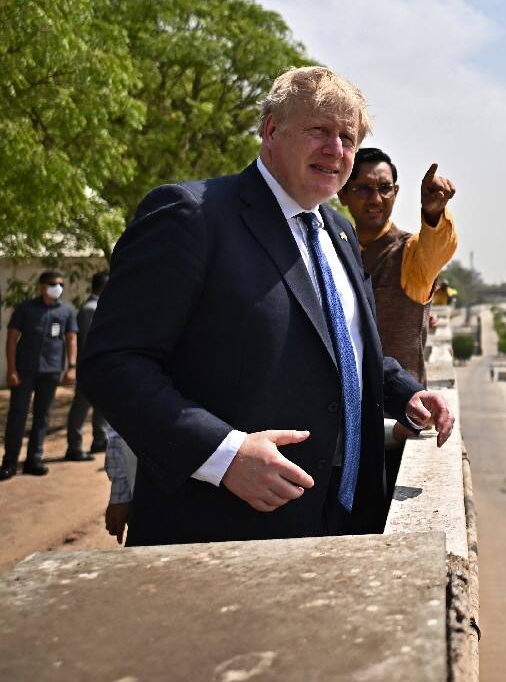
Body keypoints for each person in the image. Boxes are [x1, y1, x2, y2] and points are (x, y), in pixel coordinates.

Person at [81, 66, 454, 545]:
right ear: (272, 130)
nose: (336, 149)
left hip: (343, 517)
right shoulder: (192, 215)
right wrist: (224, 454)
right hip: (221, 526)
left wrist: (406, 393)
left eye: (347, 137)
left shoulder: (339, 233)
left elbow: (344, 348)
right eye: (319, 130)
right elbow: (113, 363)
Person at [337, 147, 458, 383]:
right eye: (364, 189)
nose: (375, 199)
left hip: (401, 403)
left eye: (384, 188)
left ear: (396, 192)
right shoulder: (334, 250)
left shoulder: (409, 253)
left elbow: (437, 247)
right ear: (343, 194)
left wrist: (434, 214)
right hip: (342, 400)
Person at [2, 270, 78, 479]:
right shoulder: (25, 309)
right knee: (18, 415)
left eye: (61, 284)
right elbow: (11, 338)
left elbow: (71, 339)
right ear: (42, 287)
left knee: (42, 416)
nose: (58, 288)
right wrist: (11, 369)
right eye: (54, 284)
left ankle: (34, 459)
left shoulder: (67, 311)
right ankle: (9, 462)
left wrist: (71, 366)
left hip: (51, 370)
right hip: (24, 370)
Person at [64, 270, 110, 461]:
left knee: (102, 405)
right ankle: (74, 447)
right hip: (90, 368)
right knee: (81, 407)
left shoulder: (100, 306)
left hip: (101, 367)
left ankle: (100, 439)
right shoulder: (90, 309)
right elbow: (89, 342)